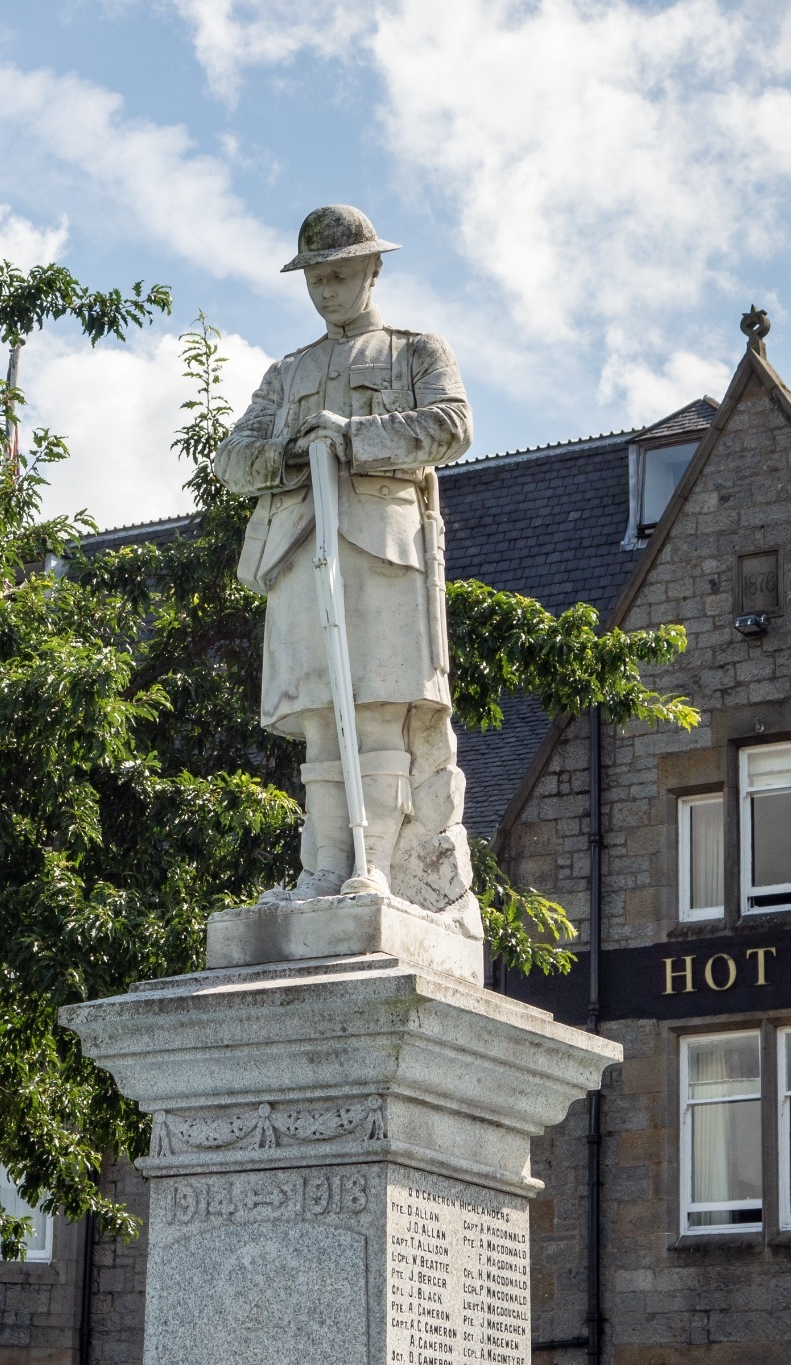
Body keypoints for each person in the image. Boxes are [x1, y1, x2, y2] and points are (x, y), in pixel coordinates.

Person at [215, 205, 478, 924]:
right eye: (315, 279)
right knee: (323, 720)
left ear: (372, 269)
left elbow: (453, 426)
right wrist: (291, 451)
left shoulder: (415, 351)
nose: (326, 290)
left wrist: (354, 436)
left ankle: (378, 867)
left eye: (338, 274)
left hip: (385, 549)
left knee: (377, 712)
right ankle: (325, 867)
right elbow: (232, 460)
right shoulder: (286, 372)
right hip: (302, 548)